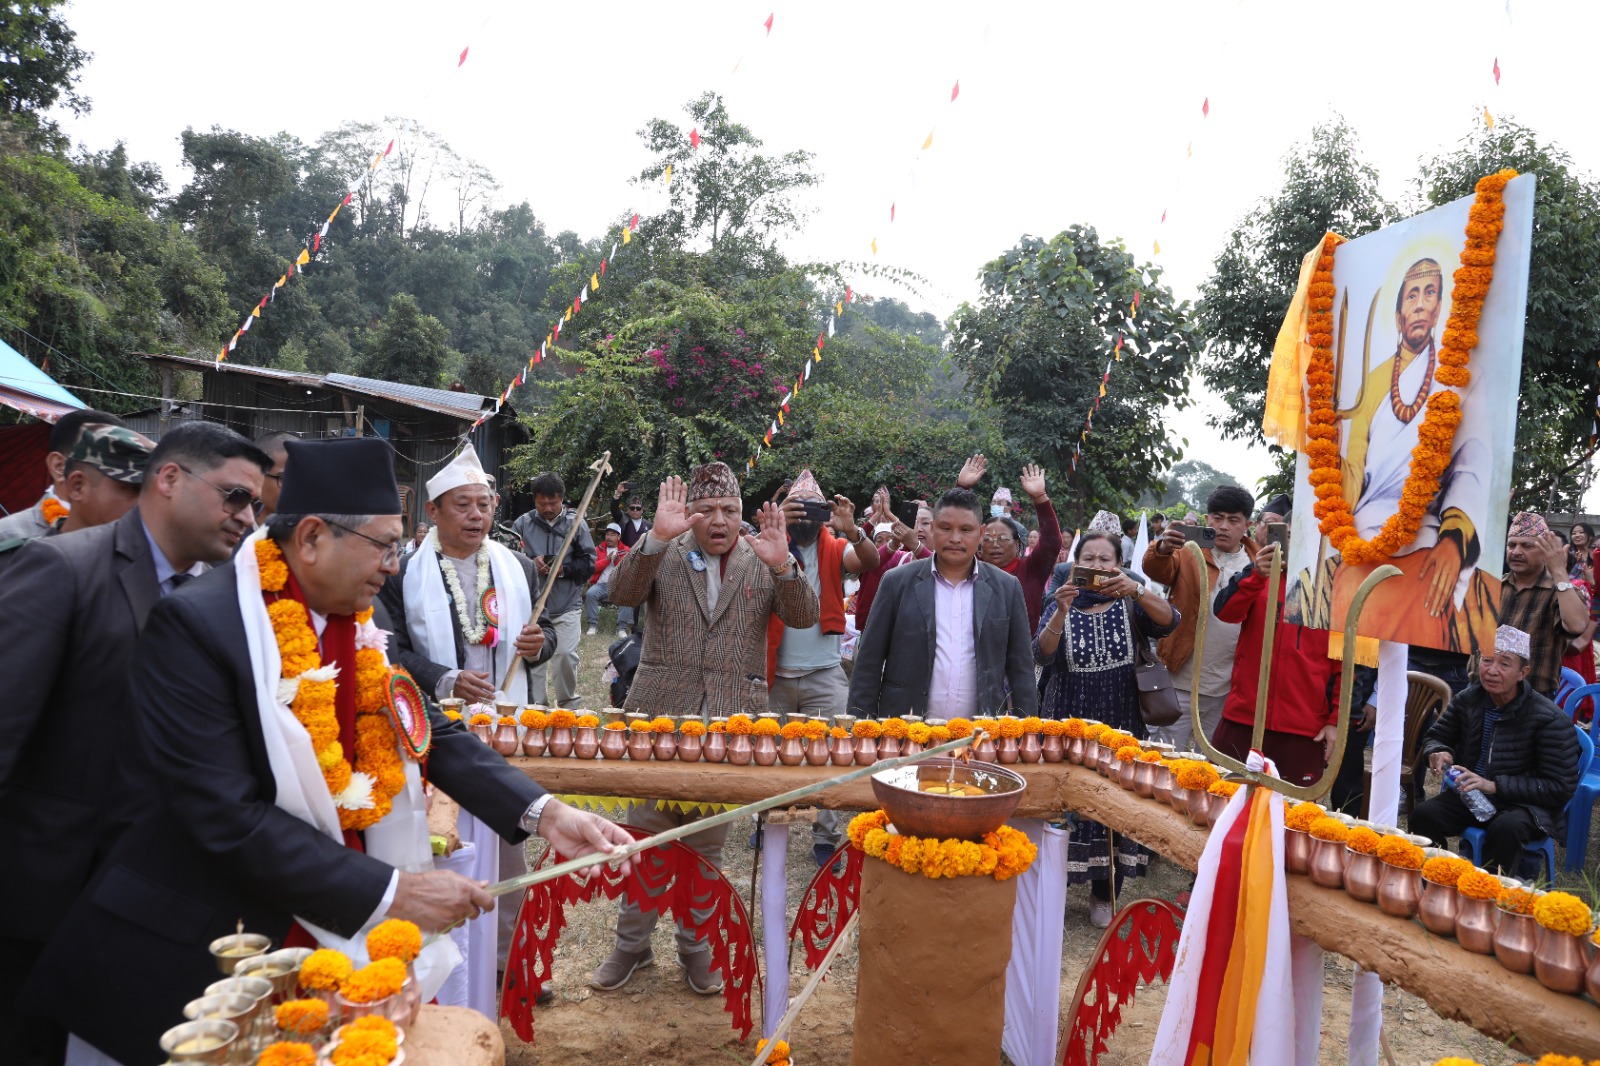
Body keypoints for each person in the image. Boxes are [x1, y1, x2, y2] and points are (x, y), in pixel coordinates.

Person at [19, 438, 632, 1065]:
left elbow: (427, 730)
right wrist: (398, 892)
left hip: (323, 925)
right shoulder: (199, 628)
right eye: (385, 545)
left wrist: (548, 815)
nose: (395, 565)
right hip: (197, 952)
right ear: (310, 538)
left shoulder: (355, 623)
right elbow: (226, 817)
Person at [0, 421, 270, 1066]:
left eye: (257, 504)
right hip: (43, 901)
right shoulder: (61, 568)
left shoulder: (221, 596)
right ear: (170, 478)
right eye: (235, 497)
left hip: (147, 901)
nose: (247, 517)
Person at [595, 463, 818, 995]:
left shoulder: (761, 556)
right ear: (689, 512)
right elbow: (619, 594)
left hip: (730, 724)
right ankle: (632, 946)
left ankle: (695, 948)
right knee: (646, 837)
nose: (719, 521)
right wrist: (651, 539)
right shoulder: (664, 550)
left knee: (706, 848)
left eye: (730, 511)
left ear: (742, 514)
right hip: (659, 721)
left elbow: (806, 615)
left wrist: (784, 564)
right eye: (707, 510)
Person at [379, 444, 560, 979]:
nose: (476, 515)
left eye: (483, 504)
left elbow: (544, 633)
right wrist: (443, 678)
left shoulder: (518, 565)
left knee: (509, 849)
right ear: (432, 512)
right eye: (462, 505)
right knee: (439, 848)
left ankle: (506, 966)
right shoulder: (402, 572)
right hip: (433, 733)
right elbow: (390, 651)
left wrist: (539, 645)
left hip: (507, 727)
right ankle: (448, 971)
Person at [1034, 527, 1176, 927]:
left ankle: (1104, 892)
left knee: (1111, 803)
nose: (1096, 566)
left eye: (1105, 559)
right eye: (1089, 558)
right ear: (1075, 562)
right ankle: (1052, 892)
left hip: (1121, 722)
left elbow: (1170, 622)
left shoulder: (1132, 602)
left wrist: (1136, 590)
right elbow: (1041, 654)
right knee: (1063, 804)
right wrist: (1061, 610)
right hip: (1066, 721)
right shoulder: (1058, 597)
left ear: (1118, 564)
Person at [767, 470, 880, 865]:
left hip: (824, 672)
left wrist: (854, 530)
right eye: (796, 511)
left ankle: (825, 834)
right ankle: (765, 825)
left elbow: (869, 560)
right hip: (775, 672)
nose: (804, 519)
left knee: (834, 753)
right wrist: (776, 526)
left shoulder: (834, 546)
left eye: (812, 511)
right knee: (768, 751)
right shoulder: (770, 545)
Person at [849, 487, 1038, 718]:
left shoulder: (1007, 588)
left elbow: (1022, 671)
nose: (955, 538)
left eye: (965, 530)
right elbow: (868, 664)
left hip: (980, 738)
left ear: (981, 534)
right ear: (933, 529)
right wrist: (861, 730)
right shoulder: (896, 583)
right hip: (903, 734)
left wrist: (1026, 733)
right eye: (945, 528)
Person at [1412, 626, 1582, 875]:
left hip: (1524, 806)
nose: (1492, 671)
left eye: (1504, 664)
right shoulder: (1470, 699)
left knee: (1506, 828)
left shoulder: (1549, 719)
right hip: (1473, 797)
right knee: (1424, 815)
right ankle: (1437, 879)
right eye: (1487, 660)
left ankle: (1488, 896)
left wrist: (1494, 786)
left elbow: (1560, 787)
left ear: (1523, 672)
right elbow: (1437, 736)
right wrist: (1439, 751)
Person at [1210, 523, 1342, 788]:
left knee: (1289, 815)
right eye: (1292, 536)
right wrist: (1257, 575)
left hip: (1303, 728)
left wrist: (1335, 722)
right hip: (1243, 716)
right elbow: (1225, 612)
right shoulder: (1260, 576)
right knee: (1221, 799)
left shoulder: (1336, 591)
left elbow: (1345, 668)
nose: (1300, 544)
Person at [1142, 485, 1259, 750]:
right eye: (1217, 518)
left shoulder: (1258, 562)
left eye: (1233, 520)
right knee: (1167, 759)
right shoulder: (1188, 552)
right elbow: (1155, 569)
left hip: (1229, 687)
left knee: (1216, 765)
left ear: (1247, 525)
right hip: (1180, 678)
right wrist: (1161, 547)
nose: (1223, 526)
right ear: (1207, 520)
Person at [0, 425, 153, 576]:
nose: (142, 505)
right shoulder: (11, 542)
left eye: (149, 493)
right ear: (78, 486)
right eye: (132, 489)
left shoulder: (145, 560)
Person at [512, 472, 596, 706]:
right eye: (542, 503)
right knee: (535, 659)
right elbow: (509, 560)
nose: (547, 507)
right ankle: (537, 709)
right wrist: (531, 562)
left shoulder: (576, 524)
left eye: (553, 502)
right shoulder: (522, 524)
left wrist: (563, 570)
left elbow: (589, 564)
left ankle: (568, 706)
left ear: (562, 499)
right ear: (534, 500)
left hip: (567, 604)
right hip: (535, 607)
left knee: (565, 656)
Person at [962, 456, 1061, 631]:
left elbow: (1051, 542)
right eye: (988, 539)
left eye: (1003, 539)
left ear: (1017, 545)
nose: (995, 544)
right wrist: (962, 489)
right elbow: (955, 536)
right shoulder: (968, 568)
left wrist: (1040, 498)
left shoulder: (1031, 570)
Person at [0, 408, 125, 542]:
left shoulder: (128, 533)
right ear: (59, 466)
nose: (118, 476)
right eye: (105, 463)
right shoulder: (8, 535)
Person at [1499, 513, 1587, 698]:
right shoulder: (1494, 586)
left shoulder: (1559, 591)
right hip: (1483, 692)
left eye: (1527, 545)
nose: (1516, 552)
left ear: (1545, 551)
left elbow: (1576, 625)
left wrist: (1558, 571)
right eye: (1511, 545)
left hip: (1531, 698)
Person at [586, 522, 637, 636]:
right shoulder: (598, 550)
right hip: (601, 585)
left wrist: (618, 561)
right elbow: (592, 568)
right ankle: (592, 626)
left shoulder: (626, 550)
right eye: (607, 534)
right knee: (590, 594)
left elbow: (628, 571)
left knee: (627, 594)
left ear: (619, 537)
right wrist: (607, 560)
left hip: (619, 584)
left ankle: (622, 628)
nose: (609, 537)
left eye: (613, 535)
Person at [252, 430, 298, 521]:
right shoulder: (233, 531)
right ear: (256, 477)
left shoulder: (313, 532)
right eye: (285, 479)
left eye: (303, 479)